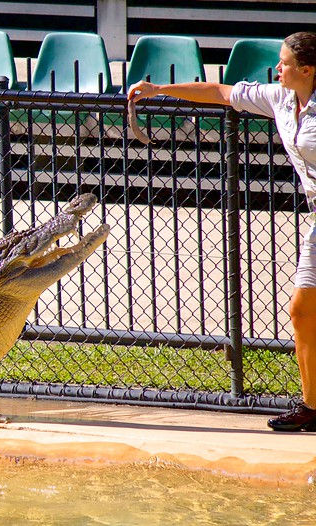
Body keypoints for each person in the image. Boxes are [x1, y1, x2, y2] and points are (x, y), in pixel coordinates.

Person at [128, 31, 316, 431]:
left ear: (307, 69)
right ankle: (312, 407)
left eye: (284, 62)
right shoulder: (281, 98)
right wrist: (159, 89)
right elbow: (219, 90)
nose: (277, 68)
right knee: (302, 312)